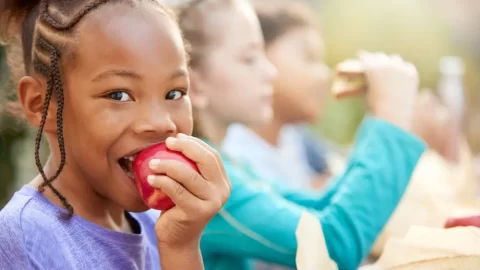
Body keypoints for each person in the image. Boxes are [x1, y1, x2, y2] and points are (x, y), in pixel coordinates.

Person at [173, 0, 426, 269]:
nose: (270, 72)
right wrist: (391, 117)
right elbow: (328, 247)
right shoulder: (198, 181)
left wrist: (379, 118)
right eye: (249, 58)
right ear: (196, 84)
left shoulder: (226, 165)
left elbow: (320, 208)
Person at [0, 1, 230, 269]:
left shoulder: (156, 224)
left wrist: (181, 247)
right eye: (119, 95)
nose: (160, 123)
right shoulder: (25, 239)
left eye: (174, 93)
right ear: (41, 105)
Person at [221, 1, 338, 190]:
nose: (324, 74)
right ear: (258, 55)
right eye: (309, 57)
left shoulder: (293, 139)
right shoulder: (233, 159)